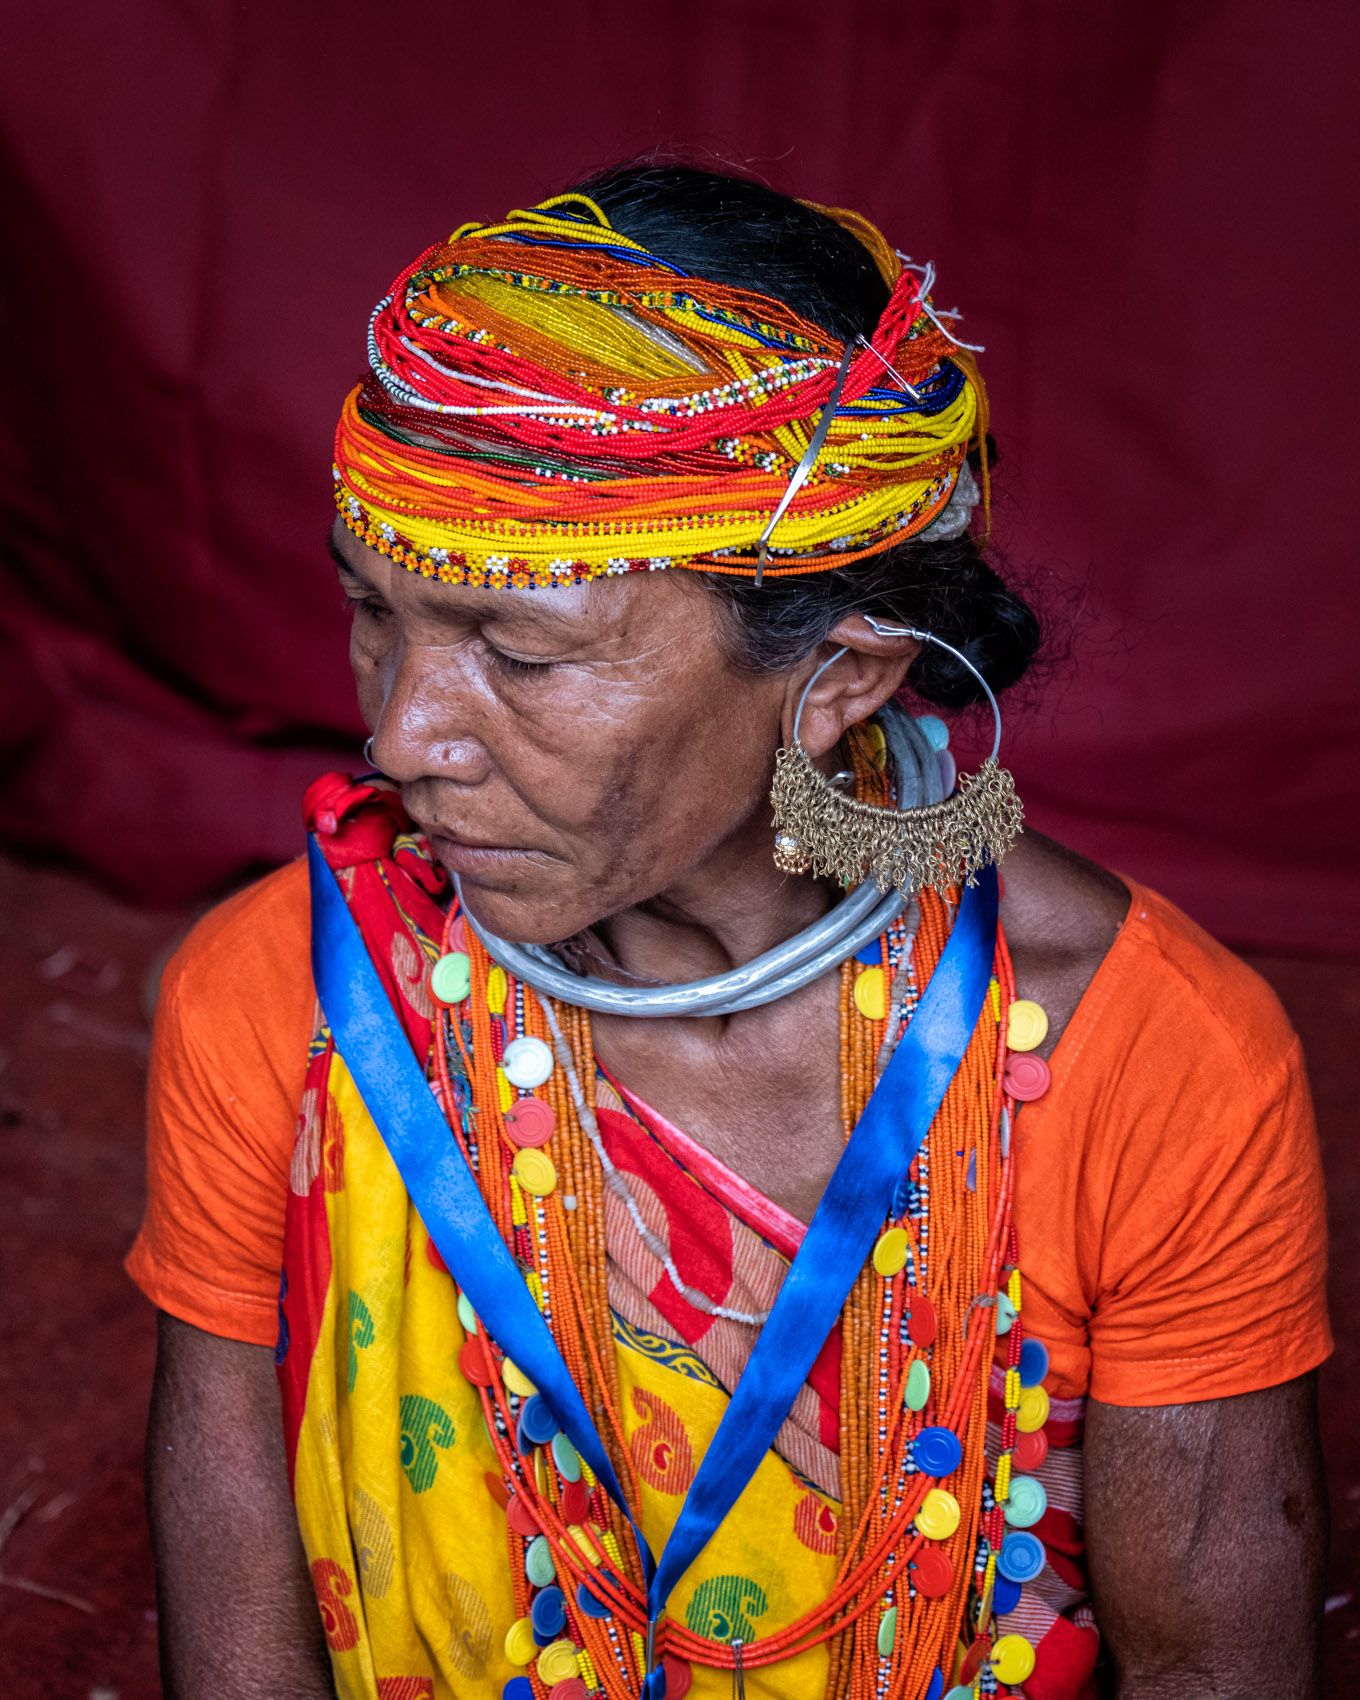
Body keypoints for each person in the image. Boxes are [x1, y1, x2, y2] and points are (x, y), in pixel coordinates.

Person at [128, 164, 1330, 1700]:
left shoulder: (1148, 1060)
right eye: (379, 614)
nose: (407, 732)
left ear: (840, 680)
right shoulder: (285, 1000)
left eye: (520, 651)